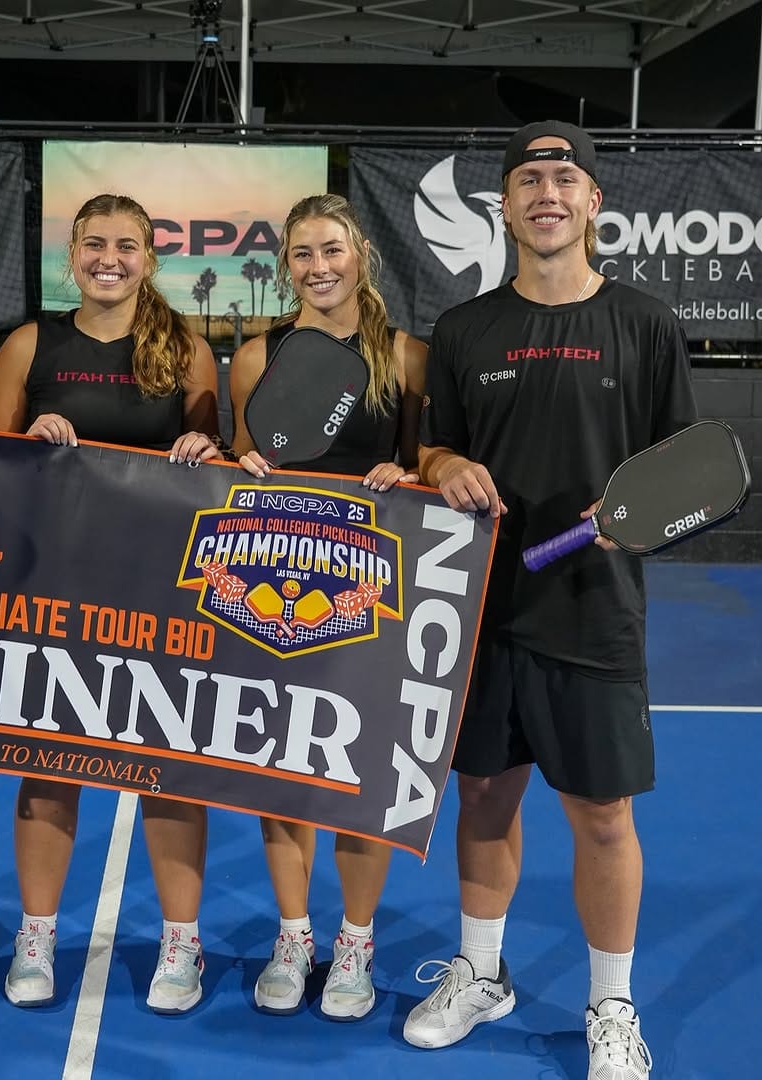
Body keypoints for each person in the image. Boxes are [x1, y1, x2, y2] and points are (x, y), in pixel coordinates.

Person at [402, 121, 696, 1080]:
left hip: (594, 609)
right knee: (484, 794)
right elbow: (434, 447)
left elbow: (684, 470)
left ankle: (611, 1006)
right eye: (528, 181)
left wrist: (641, 521)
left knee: (602, 815)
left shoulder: (644, 323)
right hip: (480, 607)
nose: (546, 196)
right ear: (505, 206)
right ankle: (481, 974)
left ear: (593, 202)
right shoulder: (464, 329)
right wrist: (444, 466)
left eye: (564, 181)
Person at [0, 193, 220, 1015]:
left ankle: (182, 943)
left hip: (163, 596)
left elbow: (217, 471)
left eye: (125, 246)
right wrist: (28, 446)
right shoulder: (29, 344)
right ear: (72, 255)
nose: (108, 259)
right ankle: (37, 935)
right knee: (48, 768)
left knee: (170, 770)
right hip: (55, 590)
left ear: (149, 259)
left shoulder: (187, 350)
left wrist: (205, 445)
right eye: (93, 244)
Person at [228, 193, 427, 1020]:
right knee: (282, 773)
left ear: (360, 256)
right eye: (303, 253)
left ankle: (355, 941)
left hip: (371, 591)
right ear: (287, 266)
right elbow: (242, 469)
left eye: (332, 250)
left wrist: (409, 474)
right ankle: (294, 934)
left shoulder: (406, 356)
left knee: (360, 777)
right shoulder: (255, 356)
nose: (319, 267)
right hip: (276, 589)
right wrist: (238, 463)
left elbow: (426, 464)